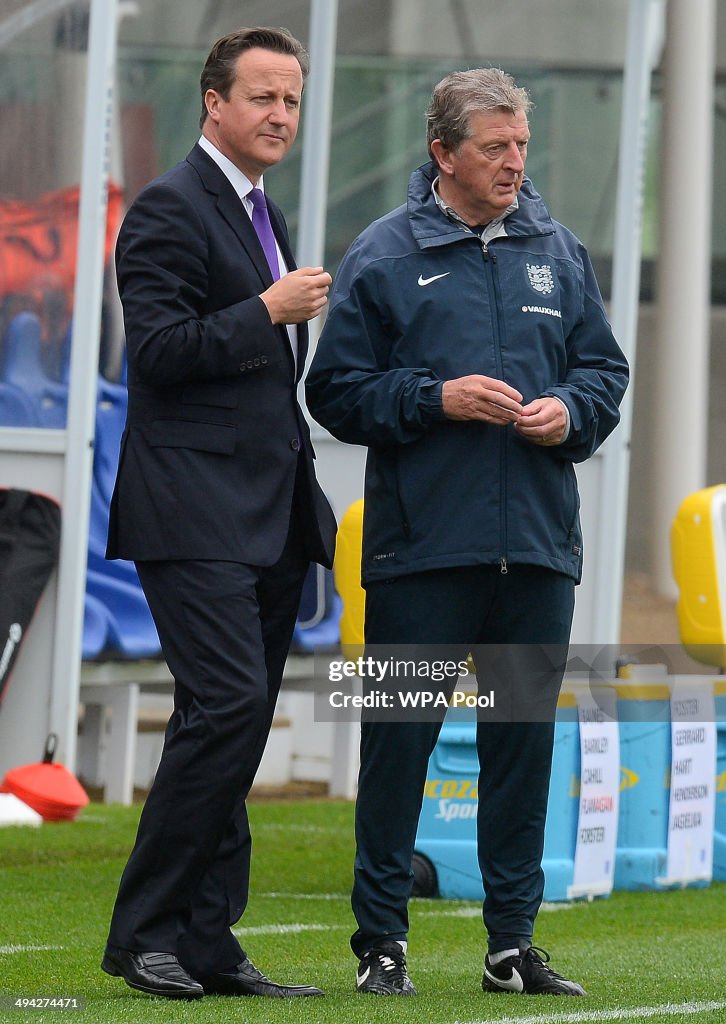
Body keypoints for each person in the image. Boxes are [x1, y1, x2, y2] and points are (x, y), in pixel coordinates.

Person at [306, 67, 628, 998]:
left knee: (520, 749)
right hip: (420, 552)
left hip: (535, 549)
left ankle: (511, 948)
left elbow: (603, 372)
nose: (513, 163)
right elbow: (333, 390)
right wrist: (433, 398)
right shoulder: (384, 252)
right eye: (494, 147)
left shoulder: (557, 251)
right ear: (443, 153)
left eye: (521, 144)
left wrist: (571, 412)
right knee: (398, 745)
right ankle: (382, 946)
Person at [101, 27, 336, 1001]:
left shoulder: (258, 208)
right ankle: (145, 930)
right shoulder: (167, 208)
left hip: (268, 513)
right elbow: (153, 352)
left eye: (291, 99)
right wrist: (267, 312)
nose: (280, 115)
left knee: (229, 721)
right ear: (213, 101)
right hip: (191, 510)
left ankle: (206, 939)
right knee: (230, 706)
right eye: (262, 98)